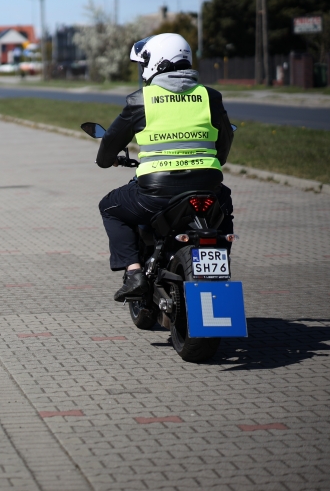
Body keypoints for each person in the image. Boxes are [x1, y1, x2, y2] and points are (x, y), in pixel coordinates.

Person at [96, 33, 234, 302]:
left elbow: (110, 144)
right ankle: (219, 257)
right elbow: (224, 144)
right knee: (223, 206)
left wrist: (106, 160)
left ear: (155, 62)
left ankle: (134, 273)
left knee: (109, 207)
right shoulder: (210, 97)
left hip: (155, 194)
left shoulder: (141, 100)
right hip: (208, 186)